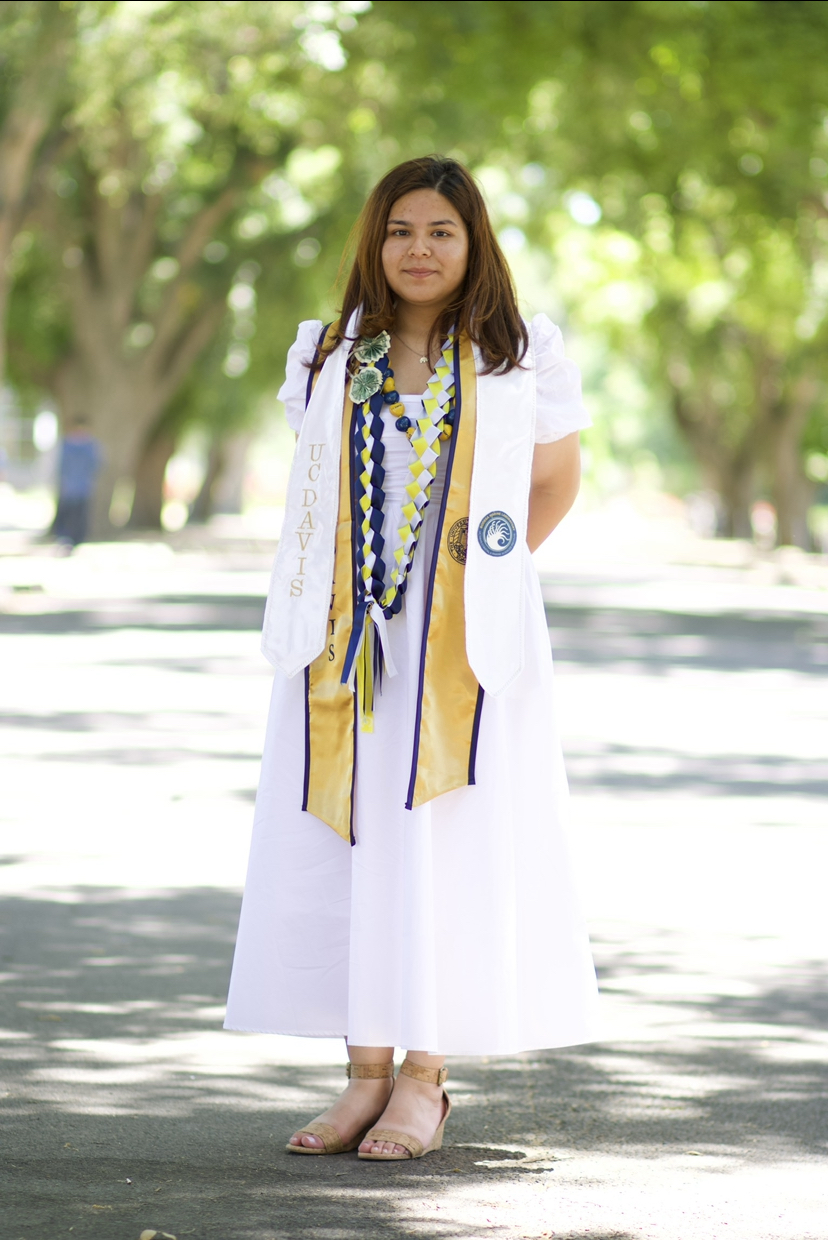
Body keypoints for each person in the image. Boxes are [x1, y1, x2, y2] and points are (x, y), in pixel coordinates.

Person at [224, 155, 600, 1161]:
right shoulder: (328, 353)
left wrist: (479, 582)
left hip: (465, 653)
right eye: (400, 230)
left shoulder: (518, 353)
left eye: (441, 230)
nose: (419, 249)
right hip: (344, 646)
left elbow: (555, 481)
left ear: (473, 242)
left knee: (447, 848)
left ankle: (424, 1082)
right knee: (353, 851)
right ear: (374, 243)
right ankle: (361, 1074)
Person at [52, 418, 102, 547]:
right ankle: (63, 537)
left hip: (84, 485)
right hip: (69, 485)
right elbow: (61, 465)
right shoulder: (66, 445)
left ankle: (78, 539)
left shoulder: (91, 446)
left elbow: (96, 464)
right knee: (66, 511)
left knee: (81, 513)